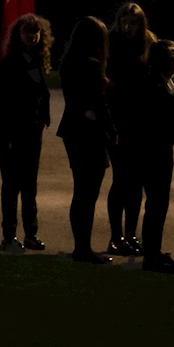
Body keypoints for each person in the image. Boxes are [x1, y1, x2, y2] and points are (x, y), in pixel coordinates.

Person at [118, 36, 174, 271]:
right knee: (156, 205)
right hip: (153, 155)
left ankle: (153, 250)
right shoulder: (152, 85)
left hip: (161, 151)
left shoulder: (164, 82)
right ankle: (152, 255)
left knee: (159, 205)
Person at [54, 16, 113, 262]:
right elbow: (97, 104)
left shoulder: (69, 62)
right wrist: (112, 131)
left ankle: (81, 245)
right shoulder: (92, 64)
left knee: (82, 190)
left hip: (72, 129)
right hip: (88, 133)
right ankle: (83, 248)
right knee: (88, 192)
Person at [0, 11, 52, 252]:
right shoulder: (10, 64)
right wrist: (4, 134)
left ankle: (30, 233)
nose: (33, 37)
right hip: (13, 135)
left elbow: (41, 95)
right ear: (19, 35)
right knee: (11, 186)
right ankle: (9, 235)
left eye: (36, 33)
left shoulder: (36, 61)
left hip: (32, 134)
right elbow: (2, 103)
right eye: (28, 32)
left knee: (29, 186)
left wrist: (43, 118)